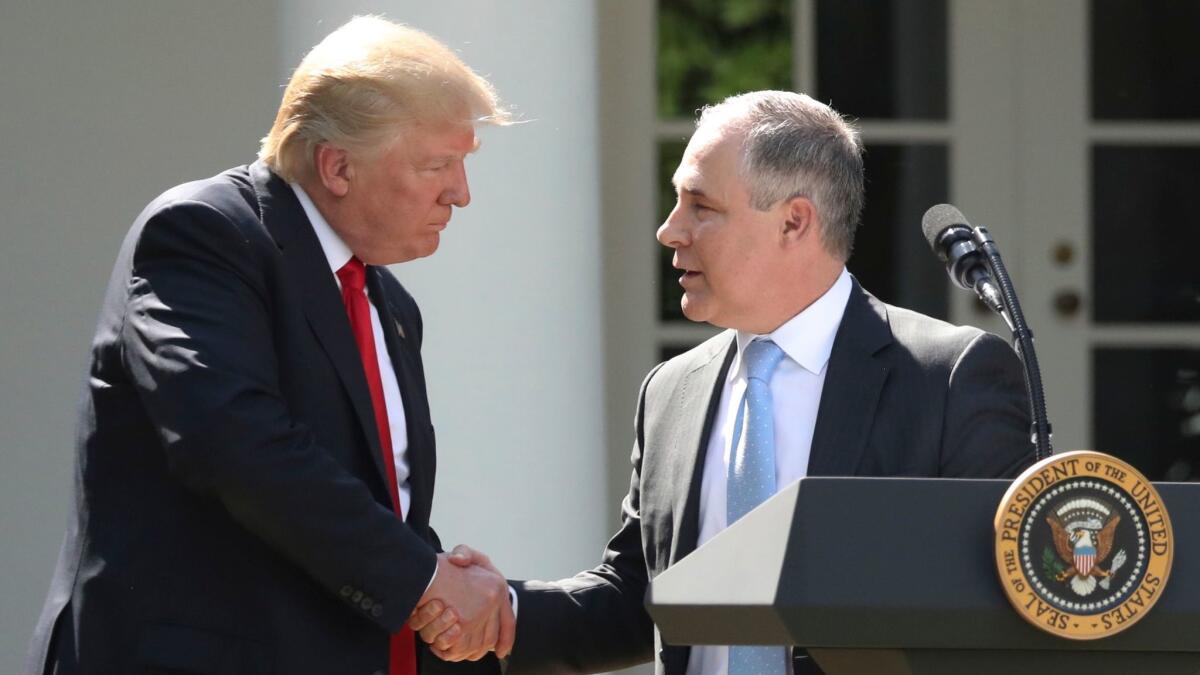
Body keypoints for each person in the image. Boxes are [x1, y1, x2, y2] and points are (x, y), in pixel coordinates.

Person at [413, 91, 1035, 674]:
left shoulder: (950, 378)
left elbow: (1000, 615)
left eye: (700, 206)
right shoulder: (671, 393)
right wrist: (503, 612)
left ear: (794, 223)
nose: (670, 230)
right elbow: (642, 599)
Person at [25, 16, 513, 675]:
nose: (460, 192)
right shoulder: (204, 234)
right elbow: (235, 441)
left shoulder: (389, 305)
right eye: (437, 165)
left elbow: (364, 509)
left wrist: (454, 597)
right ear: (336, 165)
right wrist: (426, 579)